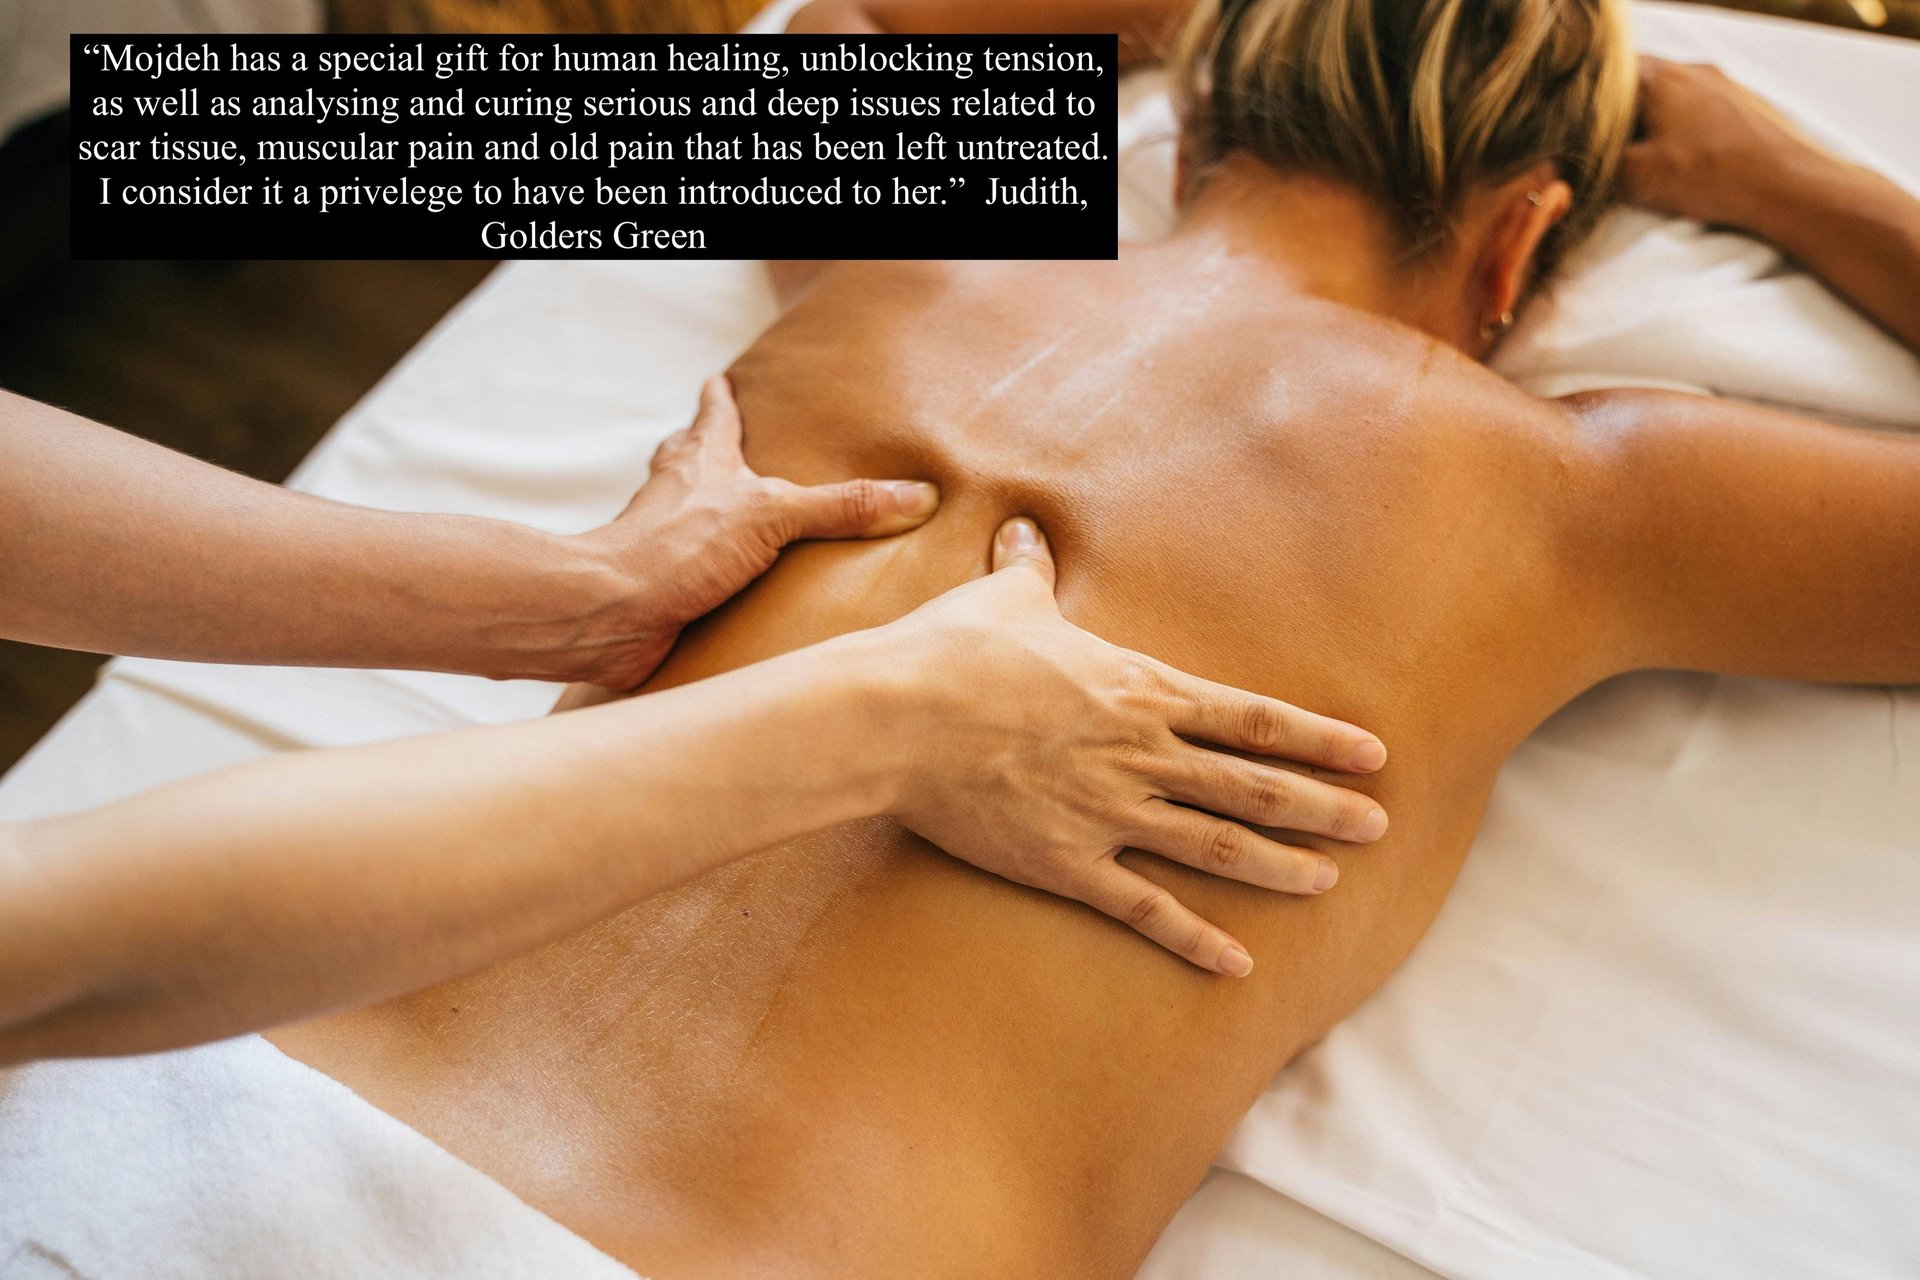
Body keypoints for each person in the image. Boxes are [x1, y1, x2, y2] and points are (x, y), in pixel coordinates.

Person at [90, 0, 1920, 1275]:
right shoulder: (1576, 496)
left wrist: (1190, 23)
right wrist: (1787, 180)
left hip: (186, 1104)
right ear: (1526, 246)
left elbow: (832, 34)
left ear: (1186, 127)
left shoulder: (901, 252)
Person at [0, 376, 1396, 1062]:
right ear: (1522, 239)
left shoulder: (913, 289)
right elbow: (55, 944)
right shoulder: (1561, 473)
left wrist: (575, 599)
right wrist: (895, 716)